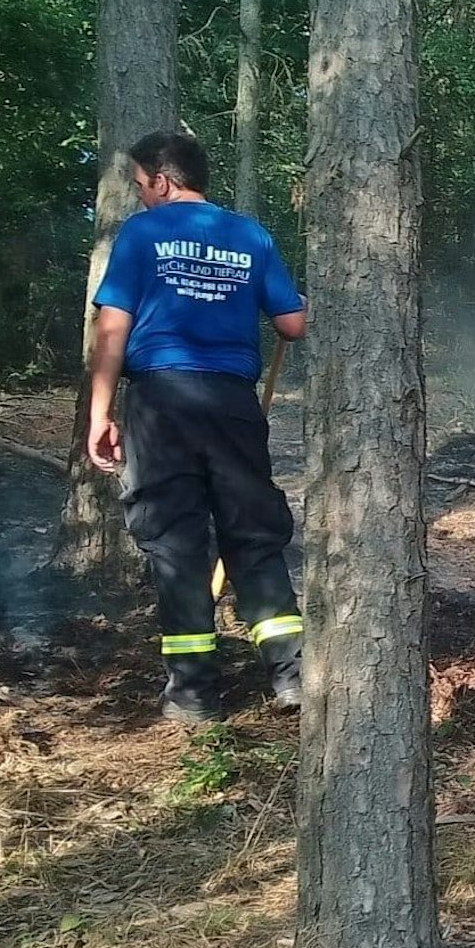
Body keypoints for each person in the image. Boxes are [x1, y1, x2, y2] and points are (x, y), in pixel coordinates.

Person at [84, 131, 307, 723]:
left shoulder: (141, 234)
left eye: (139, 185)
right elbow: (292, 323)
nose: (140, 197)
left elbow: (113, 329)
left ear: (161, 179)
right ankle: (291, 677)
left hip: (162, 403)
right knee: (253, 534)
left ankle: (193, 695)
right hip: (231, 403)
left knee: (175, 542)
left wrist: (99, 412)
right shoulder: (250, 235)